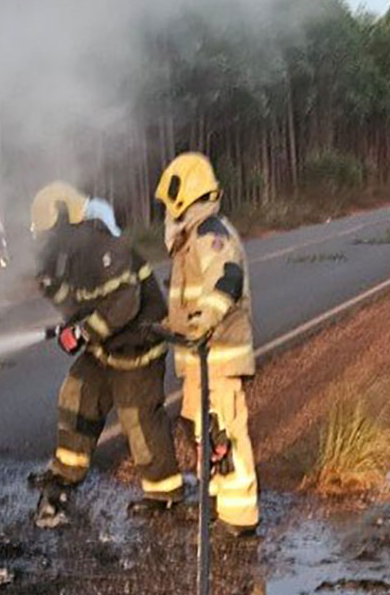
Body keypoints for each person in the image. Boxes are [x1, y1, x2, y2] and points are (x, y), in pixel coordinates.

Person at [29, 181, 181, 527]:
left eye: (48, 233)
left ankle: (164, 494)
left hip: (136, 348)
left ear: (67, 220)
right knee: (76, 395)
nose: (45, 241)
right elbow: (76, 303)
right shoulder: (72, 254)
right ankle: (66, 472)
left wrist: (82, 332)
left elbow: (125, 304)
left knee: (139, 420)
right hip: (105, 347)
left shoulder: (105, 247)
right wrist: (51, 286)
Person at [154, 153, 259, 533]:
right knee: (204, 431)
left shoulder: (209, 233)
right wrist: (172, 324)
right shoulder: (191, 239)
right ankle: (218, 505)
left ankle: (240, 518)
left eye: (169, 205)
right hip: (202, 359)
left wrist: (202, 322)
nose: (166, 213)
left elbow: (226, 279)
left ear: (184, 198)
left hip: (219, 356)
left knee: (227, 434)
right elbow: (190, 298)